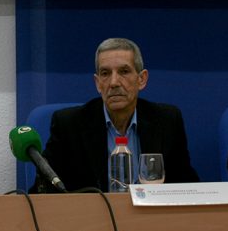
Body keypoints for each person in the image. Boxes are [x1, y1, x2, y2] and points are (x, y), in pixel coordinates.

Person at [35, 38, 200, 192]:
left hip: (151, 218)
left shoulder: (167, 120)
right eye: (105, 73)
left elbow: (185, 185)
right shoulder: (68, 125)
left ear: (141, 79)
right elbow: (44, 190)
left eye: (124, 71)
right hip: (94, 219)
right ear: (98, 83)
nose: (114, 82)